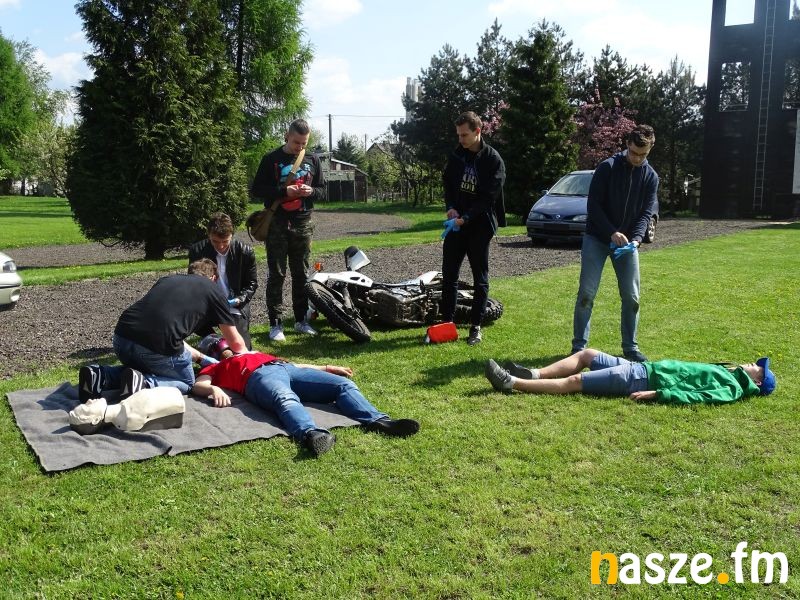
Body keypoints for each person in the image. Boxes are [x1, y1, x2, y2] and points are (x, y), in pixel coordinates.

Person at [189, 334, 420, 457]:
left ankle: (379, 421)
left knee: (343, 385)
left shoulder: (255, 352)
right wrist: (214, 389)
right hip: (256, 379)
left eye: (224, 344)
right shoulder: (216, 367)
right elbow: (199, 385)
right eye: (220, 347)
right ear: (213, 353)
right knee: (285, 398)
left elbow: (296, 365)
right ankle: (312, 435)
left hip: (286, 369)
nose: (226, 349)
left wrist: (326, 368)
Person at [78, 259, 248, 402]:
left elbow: (164, 327)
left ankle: (100, 375)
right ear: (213, 278)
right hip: (156, 347)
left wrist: (203, 359)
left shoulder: (167, 280)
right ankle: (144, 384)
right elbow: (235, 343)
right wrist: (249, 359)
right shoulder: (213, 290)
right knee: (187, 382)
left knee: (147, 367)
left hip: (121, 338)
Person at [572, 125, 659, 362]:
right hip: (597, 238)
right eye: (634, 153)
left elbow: (646, 212)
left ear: (650, 149)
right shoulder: (607, 168)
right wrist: (611, 232)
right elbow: (593, 206)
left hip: (627, 244)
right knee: (587, 294)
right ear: (627, 144)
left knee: (632, 297)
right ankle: (579, 348)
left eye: (643, 155)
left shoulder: (651, 177)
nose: (637, 159)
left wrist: (637, 239)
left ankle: (630, 348)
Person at [250, 118, 326, 342]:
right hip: (277, 223)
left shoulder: (313, 159)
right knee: (277, 274)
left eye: (304, 143)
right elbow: (257, 190)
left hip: (303, 223)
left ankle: (301, 320)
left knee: (301, 273)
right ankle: (275, 324)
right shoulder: (271, 159)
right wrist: (285, 192)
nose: (300, 147)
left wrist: (311, 191)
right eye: (296, 143)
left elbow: (323, 191)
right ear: (287, 136)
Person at [484, 350, 776, 403]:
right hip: (641, 368)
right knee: (586, 354)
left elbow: (698, 396)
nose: (754, 363)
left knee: (577, 381)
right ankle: (534, 373)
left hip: (640, 380)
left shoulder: (732, 388)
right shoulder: (729, 371)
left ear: (758, 382)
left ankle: (512, 382)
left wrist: (659, 394)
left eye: (758, 367)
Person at [441, 111, 506, 345]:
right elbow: (448, 182)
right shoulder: (457, 155)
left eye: (464, 135)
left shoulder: (493, 160)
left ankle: (475, 327)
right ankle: (446, 325)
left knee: (480, 277)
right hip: (457, 224)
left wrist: (466, 218)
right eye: (458, 135)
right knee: (449, 275)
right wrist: (451, 208)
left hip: (480, 224)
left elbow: (488, 198)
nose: (460, 139)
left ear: (478, 131)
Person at [188, 212, 258, 349]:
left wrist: (239, 299)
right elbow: (193, 283)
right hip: (207, 305)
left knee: (241, 347)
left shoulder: (245, 251)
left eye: (225, 241)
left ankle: (222, 342)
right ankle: (215, 341)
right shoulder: (197, 250)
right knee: (191, 319)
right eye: (215, 241)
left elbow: (252, 283)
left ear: (232, 235)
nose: (220, 246)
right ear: (208, 235)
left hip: (234, 305)